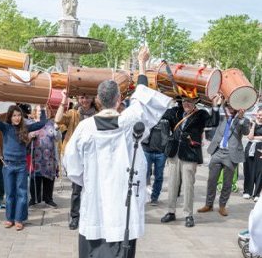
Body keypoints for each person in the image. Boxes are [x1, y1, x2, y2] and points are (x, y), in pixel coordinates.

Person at [64, 48, 172, 258]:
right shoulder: (130, 121)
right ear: (119, 98)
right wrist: (141, 64)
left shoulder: (85, 128)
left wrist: (89, 180)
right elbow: (142, 98)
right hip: (123, 202)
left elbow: (72, 164)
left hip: (94, 199)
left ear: (98, 99)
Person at [161, 94, 222, 228]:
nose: (186, 104)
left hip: (190, 154)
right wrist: (170, 100)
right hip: (174, 153)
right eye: (184, 101)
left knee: (188, 186)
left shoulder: (201, 114)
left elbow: (214, 122)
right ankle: (171, 212)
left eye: (189, 101)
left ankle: (188, 215)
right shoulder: (175, 112)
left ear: (195, 102)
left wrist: (216, 106)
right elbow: (162, 115)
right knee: (172, 184)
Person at [0, 102, 46, 231]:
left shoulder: (25, 129)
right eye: (14, 115)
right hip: (8, 166)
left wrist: (44, 109)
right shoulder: (6, 128)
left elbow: (41, 124)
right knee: (10, 194)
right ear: (10, 117)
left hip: (21, 166)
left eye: (19, 115)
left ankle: (19, 219)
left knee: (22, 194)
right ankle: (9, 218)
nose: (17, 118)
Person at [55, 91, 98, 230]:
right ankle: (75, 217)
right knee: (76, 189)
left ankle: (91, 216)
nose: (85, 100)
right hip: (77, 157)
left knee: (93, 188)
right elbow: (57, 119)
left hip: (94, 155)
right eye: (82, 97)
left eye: (87, 96)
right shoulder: (74, 113)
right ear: (78, 98)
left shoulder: (98, 114)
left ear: (93, 98)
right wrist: (63, 99)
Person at [198, 102, 249, 216]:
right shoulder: (221, 118)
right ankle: (209, 204)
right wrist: (216, 104)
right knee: (211, 180)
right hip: (217, 152)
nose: (230, 109)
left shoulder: (243, 120)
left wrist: (241, 118)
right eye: (228, 107)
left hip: (231, 155)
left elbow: (246, 132)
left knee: (227, 183)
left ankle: (222, 206)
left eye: (232, 107)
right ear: (225, 107)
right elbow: (213, 117)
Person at [28, 105, 61, 208]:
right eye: (39, 111)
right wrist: (30, 135)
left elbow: (58, 138)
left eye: (45, 110)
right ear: (35, 112)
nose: (42, 112)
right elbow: (25, 138)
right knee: (35, 178)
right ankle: (34, 199)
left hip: (49, 157)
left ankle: (48, 199)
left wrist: (57, 129)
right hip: (35, 157)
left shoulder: (51, 123)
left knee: (49, 179)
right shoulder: (31, 124)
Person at [141, 114, 171, 205]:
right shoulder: (146, 116)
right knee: (144, 175)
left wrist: (167, 151)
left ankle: (155, 197)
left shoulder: (167, 118)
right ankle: (143, 196)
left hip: (161, 153)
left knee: (158, 176)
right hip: (147, 150)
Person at [243, 107, 262, 202]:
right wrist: (254, 125)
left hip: (260, 149)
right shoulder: (251, 123)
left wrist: (256, 138)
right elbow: (250, 137)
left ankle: (257, 193)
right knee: (248, 170)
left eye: (261, 115)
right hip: (250, 148)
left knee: (260, 172)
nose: (260, 117)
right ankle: (247, 191)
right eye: (258, 115)